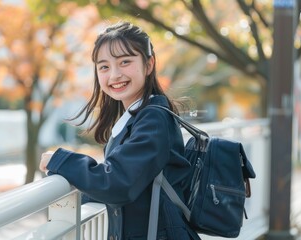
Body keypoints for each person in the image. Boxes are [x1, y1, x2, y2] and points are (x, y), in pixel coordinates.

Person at [39, 21, 200, 240]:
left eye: (125, 62)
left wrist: (60, 160)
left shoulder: (154, 118)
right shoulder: (136, 118)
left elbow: (117, 182)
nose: (114, 75)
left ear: (149, 64)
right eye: (104, 66)